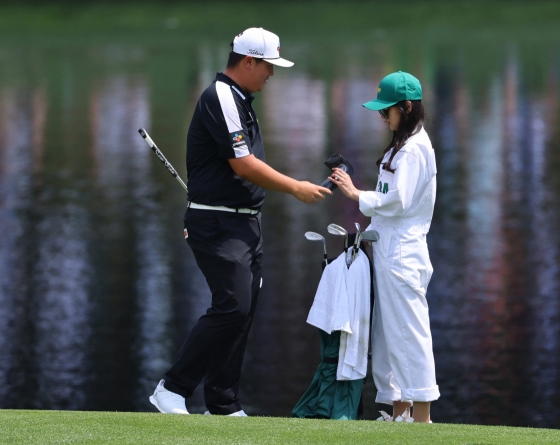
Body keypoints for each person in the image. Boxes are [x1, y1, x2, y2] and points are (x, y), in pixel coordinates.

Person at [149, 27, 331, 416]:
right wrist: (295, 187)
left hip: (244, 224)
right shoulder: (221, 96)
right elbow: (243, 165)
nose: (271, 74)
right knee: (232, 306)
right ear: (248, 61)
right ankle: (172, 388)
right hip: (217, 223)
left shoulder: (242, 100)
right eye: (268, 66)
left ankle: (223, 402)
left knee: (243, 310)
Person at [328, 71, 440, 423]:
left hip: (404, 252)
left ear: (406, 108)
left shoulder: (413, 150)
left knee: (409, 331)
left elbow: (401, 200)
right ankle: (398, 411)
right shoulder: (402, 145)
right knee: (388, 333)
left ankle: (421, 419)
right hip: (390, 249)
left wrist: (356, 194)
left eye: (386, 111)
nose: (382, 118)